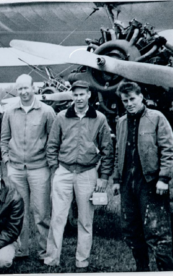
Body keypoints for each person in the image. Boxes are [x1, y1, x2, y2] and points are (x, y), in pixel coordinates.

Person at [44, 80, 114, 271]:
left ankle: (82, 260)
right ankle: (52, 258)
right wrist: (54, 169)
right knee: (58, 216)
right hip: (64, 171)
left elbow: (108, 149)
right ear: (71, 96)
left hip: (87, 172)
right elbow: (52, 145)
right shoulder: (61, 117)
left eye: (82, 94)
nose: (79, 98)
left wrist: (104, 176)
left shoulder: (99, 119)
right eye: (75, 95)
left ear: (89, 95)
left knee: (85, 219)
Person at [112, 81, 173, 271]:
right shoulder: (121, 122)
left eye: (132, 99)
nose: (129, 103)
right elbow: (118, 152)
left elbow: (168, 149)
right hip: (127, 185)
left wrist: (163, 178)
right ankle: (142, 269)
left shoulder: (157, 118)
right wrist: (116, 180)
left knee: (157, 233)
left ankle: (167, 270)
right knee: (131, 231)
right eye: (125, 101)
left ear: (141, 97)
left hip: (150, 183)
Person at [0, 74, 56, 259]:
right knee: (17, 212)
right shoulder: (9, 111)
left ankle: (44, 251)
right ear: (17, 90)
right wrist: (7, 161)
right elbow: (4, 139)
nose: (23, 92)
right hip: (15, 169)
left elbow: (53, 140)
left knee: (41, 212)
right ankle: (21, 250)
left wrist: (50, 164)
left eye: (26, 88)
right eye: (20, 89)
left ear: (34, 88)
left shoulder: (47, 111)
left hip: (39, 168)